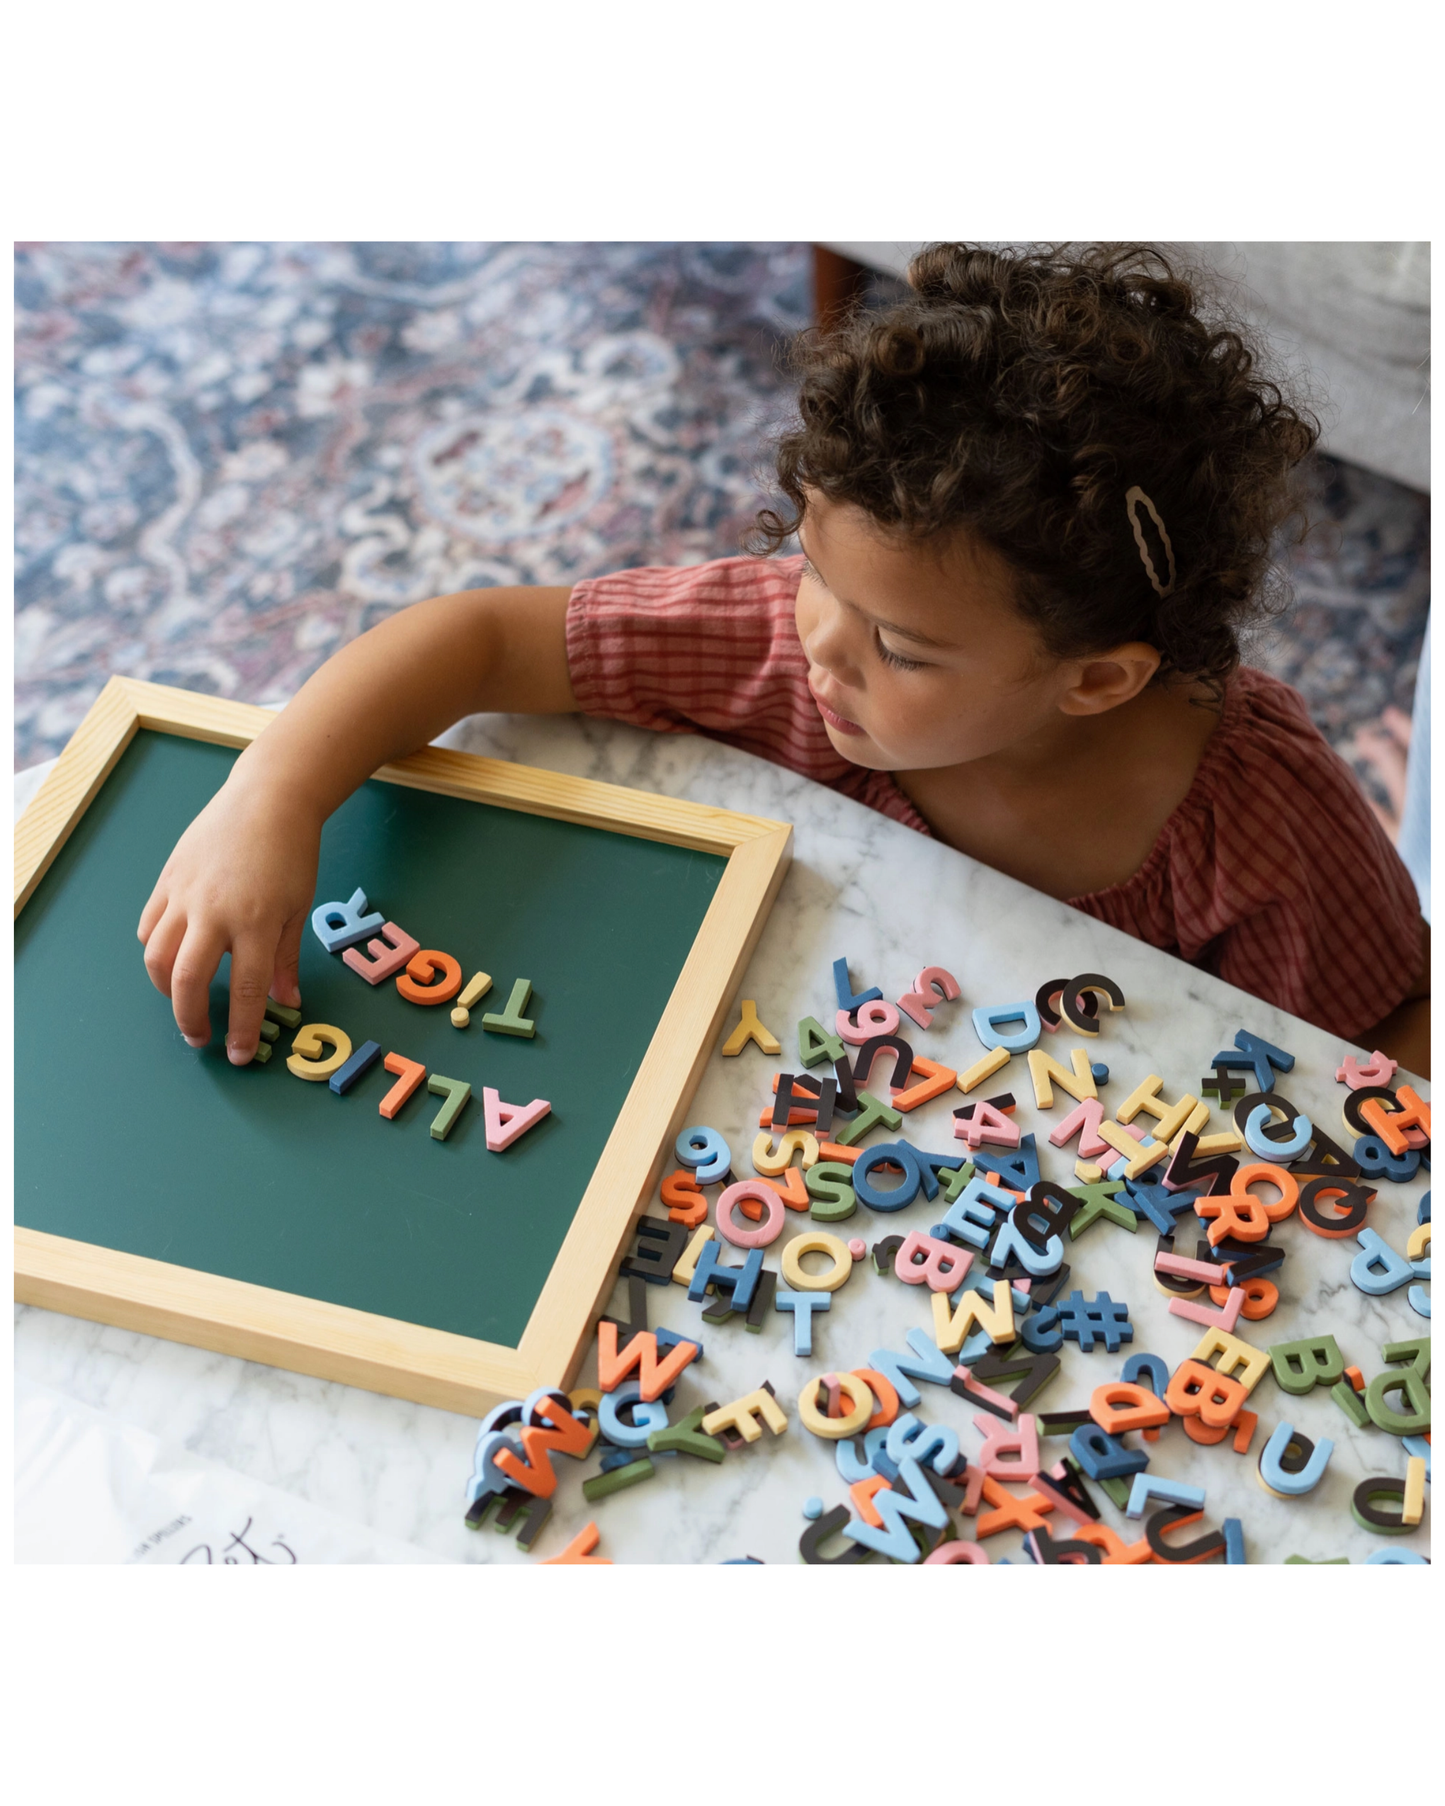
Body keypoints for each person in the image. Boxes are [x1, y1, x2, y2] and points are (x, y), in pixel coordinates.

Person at [138, 243, 1430, 1077]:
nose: (820, 640)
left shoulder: (1259, 822)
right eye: (817, 567)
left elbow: (1390, 1042)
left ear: (1097, 679)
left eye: (902, 646)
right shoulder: (774, 642)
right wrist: (276, 795)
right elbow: (476, 637)